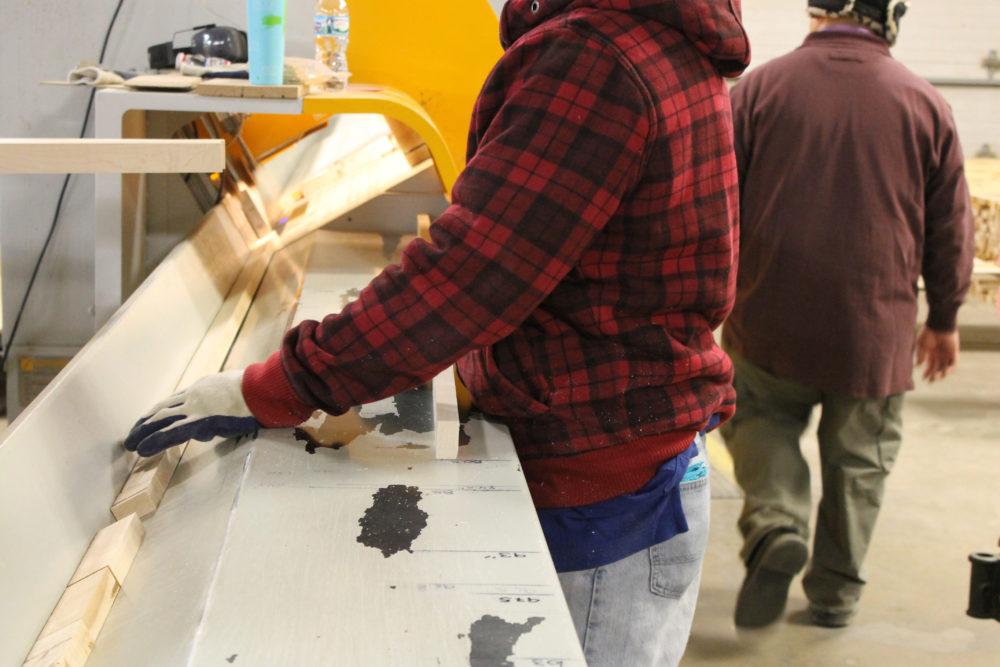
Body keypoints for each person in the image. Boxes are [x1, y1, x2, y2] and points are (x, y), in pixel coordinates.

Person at [125, 1, 750, 663]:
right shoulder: (643, 35)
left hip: (605, 500)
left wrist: (284, 383)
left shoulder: (596, 59)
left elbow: (473, 272)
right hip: (630, 459)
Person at [721, 0, 974, 630]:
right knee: (859, 460)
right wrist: (943, 318)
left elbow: (716, 206)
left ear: (818, 13)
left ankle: (777, 523)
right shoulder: (925, 104)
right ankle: (834, 595)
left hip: (766, 317)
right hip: (873, 328)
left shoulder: (758, 91)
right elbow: (950, 226)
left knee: (758, 418)